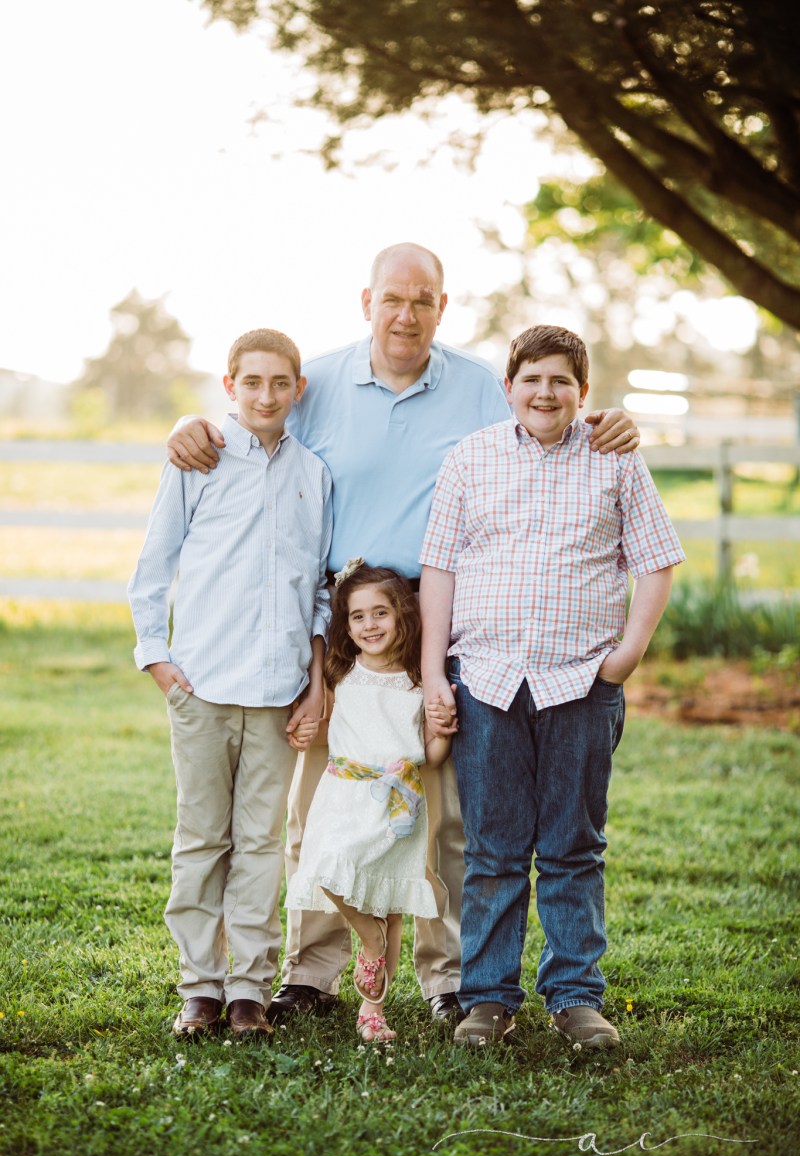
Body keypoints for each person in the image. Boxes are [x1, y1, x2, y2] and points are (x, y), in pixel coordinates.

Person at [166, 243, 642, 1026]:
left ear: (442, 307)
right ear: (367, 301)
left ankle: (444, 972)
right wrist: (192, 422)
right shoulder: (317, 382)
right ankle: (313, 968)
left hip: (438, 616)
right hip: (341, 623)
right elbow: (248, 419)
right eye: (394, 298)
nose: (407, 313)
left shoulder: (479, 387)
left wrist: (608, 419)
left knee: (442, 807)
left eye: (423, 300)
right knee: (323, 805)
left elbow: (546, 424)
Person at [420, 324, 684, 1048]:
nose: (545, 392)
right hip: (489, 681)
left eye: (560, 380)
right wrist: (434, 671)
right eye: (532, 378)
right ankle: (489, 999)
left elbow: (657, 560)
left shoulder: (615, 459)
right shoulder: (470, 460)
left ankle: (575, 996)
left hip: (580, 683)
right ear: (509, 388)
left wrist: (627, 654)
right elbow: (439, 569)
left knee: (573, 846)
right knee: (494, 850)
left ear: (583, 392)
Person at [128, 328, 332, 1039]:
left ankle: (248, 989)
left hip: (278, 690)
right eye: (253, 383)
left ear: (297, 390)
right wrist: (159, 661)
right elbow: (153, 567)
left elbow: (319, 591)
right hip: (203, 684)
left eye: (281, 384)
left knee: (259, 842)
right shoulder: (200, 460)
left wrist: (313, 680)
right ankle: (200, 988)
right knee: (202, 839)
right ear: (230, 386)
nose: (267, 396)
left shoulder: (314, 474)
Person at [286, 561, 455, 1042]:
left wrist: (441, 730)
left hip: (398, 803)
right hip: (344, 794)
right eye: (358, 616)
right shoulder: (342, 671)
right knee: (325, 864)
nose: (370, 625)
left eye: (381, 613)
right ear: (347, 624)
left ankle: (373, 1010)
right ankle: (368, 936)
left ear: (403, 614)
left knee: (391, 903)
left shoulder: (419, 681)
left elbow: (431, 757)